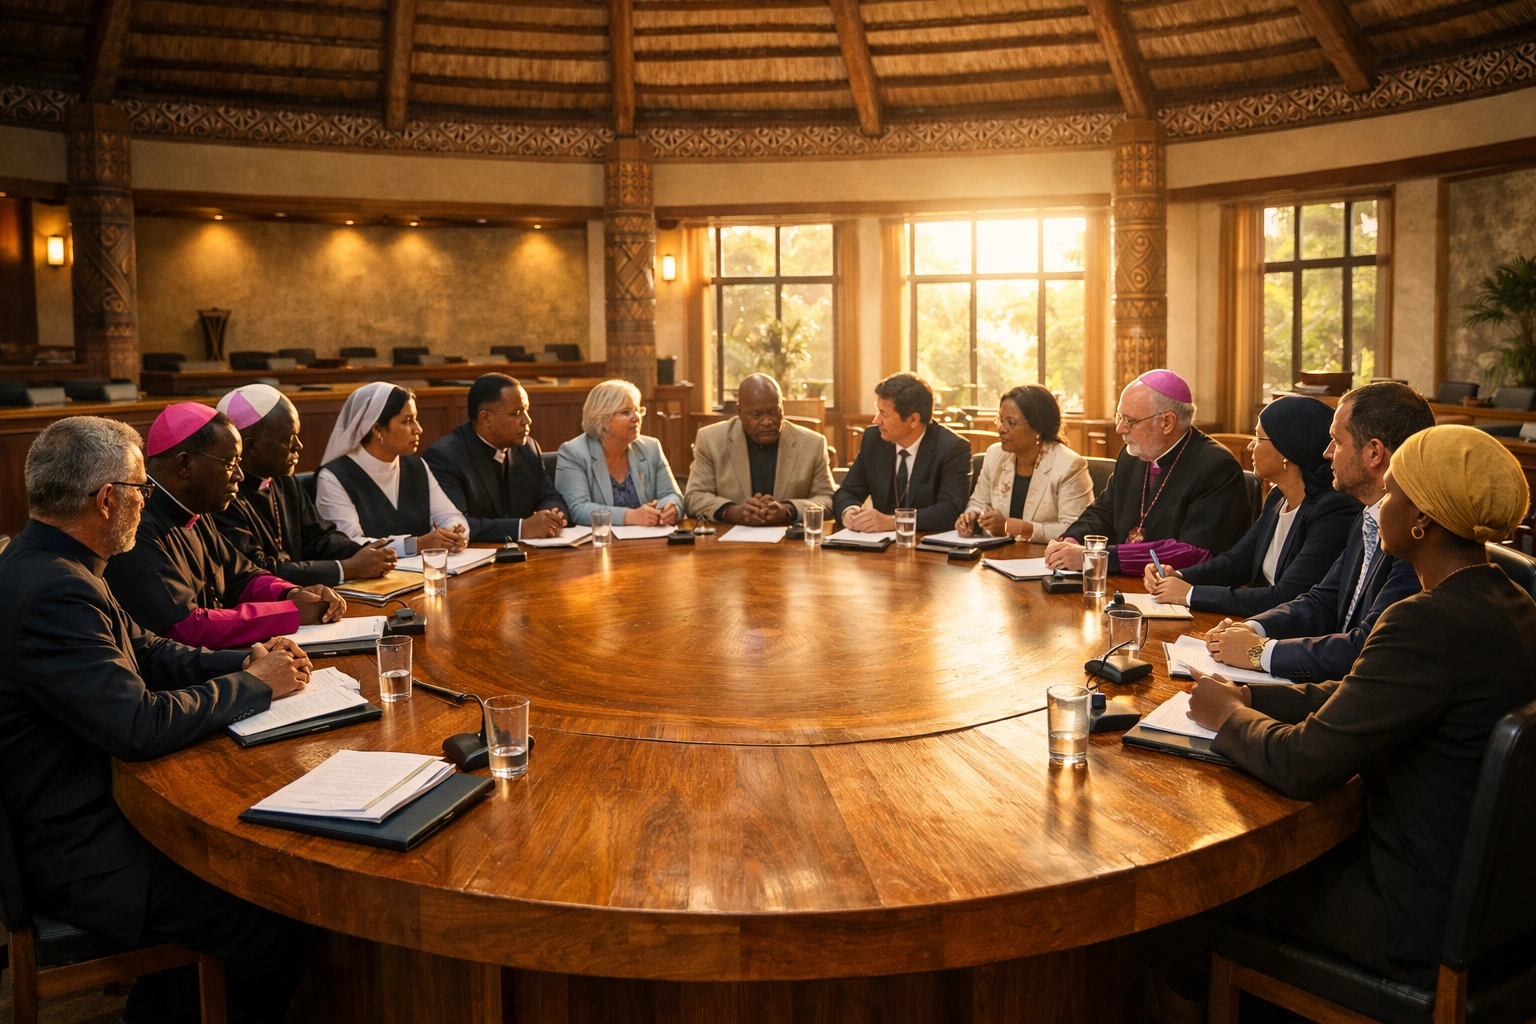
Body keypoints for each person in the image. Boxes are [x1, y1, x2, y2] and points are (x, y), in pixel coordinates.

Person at [1182, 424, 1536, 994]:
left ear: (1423, 517)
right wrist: (1251, 696)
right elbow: (1369, 697)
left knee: (1201, 898)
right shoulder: (1511, 599)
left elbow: (1304, 766)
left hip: (1411, 917)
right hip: (1504, 911)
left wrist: (1227, 718)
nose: (1378, 508)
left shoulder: (1424, 620)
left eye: (1392, 494)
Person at [0, 416, 318, 1024]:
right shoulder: (54, 590)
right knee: (279, 907)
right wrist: (251, 686)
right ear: (107, 500)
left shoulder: (54, 559)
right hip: (80, 848)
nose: (148, 503)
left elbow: (146, 649)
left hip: (89, 805)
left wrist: (248, 659)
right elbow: (138, 725)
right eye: (143, 489)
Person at [1203, 381, 1435, 682]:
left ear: (1374, 452)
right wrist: (1251, 628)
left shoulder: (1415, 536)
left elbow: (1366, 647)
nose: (1327, 454)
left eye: (1337, 442)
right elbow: (1322, 600)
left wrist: (1259, 652)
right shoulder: (1368, 513)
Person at [104, 403, 346, 649]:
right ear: (185, 464)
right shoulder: (136, 523)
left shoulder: (196, 506)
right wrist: (290, 613)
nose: (239, 475)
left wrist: (292, 593)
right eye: (230, 463)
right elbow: (185, 627)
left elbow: (243, 576)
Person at [1143, 395, 1359, 616]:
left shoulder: (1334, 510)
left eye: (1258, 438)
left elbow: (1287, 597)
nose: (1250, 446)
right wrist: (1179, 576)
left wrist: (1189, 594)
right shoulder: (1278, 496)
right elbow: (1237, 563)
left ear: (1287, 449)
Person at [1044, 369, 1249, 575]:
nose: (1120, 429)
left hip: (1180, 594)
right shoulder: (1133, 455)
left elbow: (1194, 552)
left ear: (1167, 422)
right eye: (1119, 417)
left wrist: (1096, 558)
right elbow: (1104, 512)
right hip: (1124, 585)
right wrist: (1071, 541)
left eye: (1130, 421)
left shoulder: (1217, 466)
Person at [213, 383, 396, 585]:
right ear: (251, 446)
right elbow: (258, 570)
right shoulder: (220, 497)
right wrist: (348, 568)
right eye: (289, 437)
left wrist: (364, 552)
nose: (298, 445)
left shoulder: (283, 480)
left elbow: (318, 538)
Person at [315, 382, 469, 556]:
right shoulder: (333, 477)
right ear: (377, 428)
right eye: (407, 421)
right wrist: (414, 545)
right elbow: (349, 542)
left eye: (416, 419)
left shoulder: (416, 465)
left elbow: (449, 515)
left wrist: (454, 531)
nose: (418, 429)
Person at [422, 373, 569, 542]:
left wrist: (552, 516)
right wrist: (522, 528)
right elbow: (456, 525)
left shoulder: (528, 448)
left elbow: (551, 497)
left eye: (526, 411)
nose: (527, 420)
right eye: (517, 413)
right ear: (486, 418)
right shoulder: (445, 456)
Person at [683, 373, 836, 525]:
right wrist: (731, 511)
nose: (767, 422)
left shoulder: (812, 444)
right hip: (731, 543)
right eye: (756, 415)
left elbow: (828, 500)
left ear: (782, 406)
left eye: (773, 412)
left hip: (790, 542)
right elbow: (693, 498)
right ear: (740, 412)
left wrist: (788, 510)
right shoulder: (711, 440)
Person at [832, 372, 971, 533]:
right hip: (878, 547)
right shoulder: (874, 439)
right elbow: (847, 491)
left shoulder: (953, 448)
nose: (876, 420)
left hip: (927, 549)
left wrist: (894, 522)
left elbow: (950, 511)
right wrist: (849, 512)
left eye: (884, 414)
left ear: (914, 420)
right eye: (878, 411)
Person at [956, 383, 1093, 542]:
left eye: (1011, 423)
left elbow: (1074, 528)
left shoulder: (1069, 465)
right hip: (998, 555)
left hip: (1045, 559)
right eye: (1000, 420)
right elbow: (978, 502)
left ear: (1037, 428)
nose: (1001, 429)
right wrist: (971, 517)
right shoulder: (995, 455)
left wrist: (1014, 527)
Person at [555, 379, 683, 527]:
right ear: (602, 418)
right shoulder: (573, 452)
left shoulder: (650, 447)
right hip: (600, 544)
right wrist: (631, 516)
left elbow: (673, 495)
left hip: (649, 541)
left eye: (637, 410)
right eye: (626, 412)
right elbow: (578, 509)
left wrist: (670, 507)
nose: (636, 418)